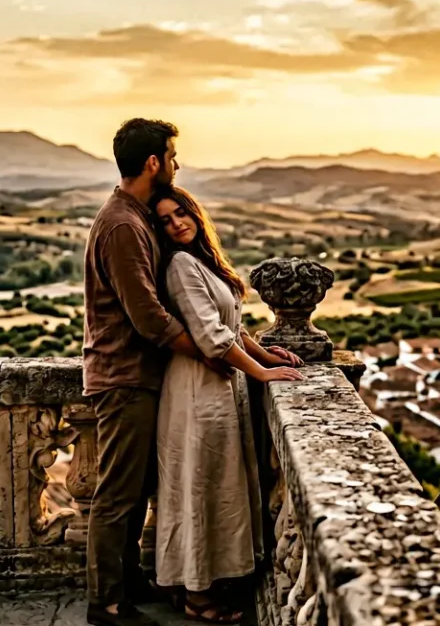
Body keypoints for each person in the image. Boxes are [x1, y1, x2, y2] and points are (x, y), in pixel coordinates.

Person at [83, 119, 232, 626]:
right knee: (118, 494)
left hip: (137, 376)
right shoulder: (123, 225)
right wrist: (208, 352)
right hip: (124, 376)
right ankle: (106, 604)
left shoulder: (133, 217)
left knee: (137, 489)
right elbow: (149, 317)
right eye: (171, 156)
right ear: (153, 163)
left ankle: (128, 583)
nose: (176, 164)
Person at [150, 185, 303, 623]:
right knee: (199, 489)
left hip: (217, 389)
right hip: (197, 391)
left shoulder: (201, 261)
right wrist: (262, 374)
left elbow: (233, 329)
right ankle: (197, 596)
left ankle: (199, 583)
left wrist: (267, 355)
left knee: (216, 487)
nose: (177, 224)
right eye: (165, 220)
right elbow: (211, 337)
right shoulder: (179, 266)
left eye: (181, 213)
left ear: (195, 214)